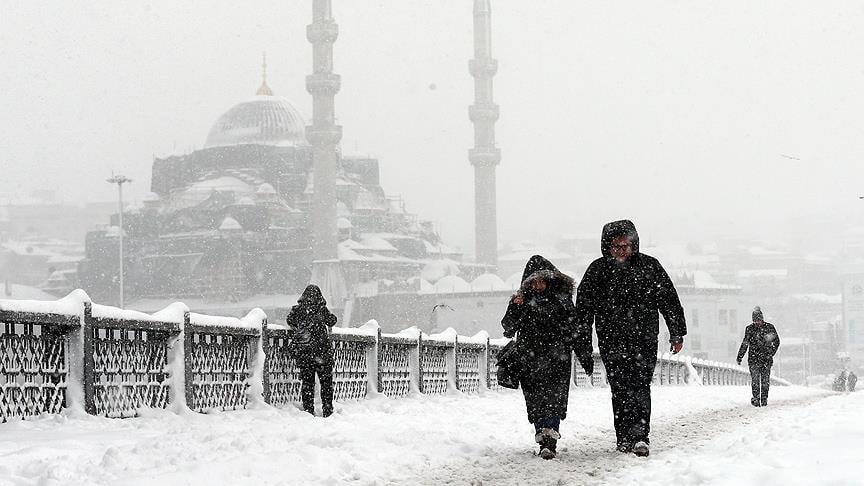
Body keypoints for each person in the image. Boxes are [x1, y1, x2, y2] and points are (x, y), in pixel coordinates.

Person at [574, 220, 687, 457]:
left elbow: (669, 300)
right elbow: (583, 311)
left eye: (626, 245)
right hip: (611, 341)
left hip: (643, 340)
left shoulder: (649, 267)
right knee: (620, 388)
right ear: (608, 247)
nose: (622, 250)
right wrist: (582, 343)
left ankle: (639, 436)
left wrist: (677, 332)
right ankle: (623, 436)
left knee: (640, 386)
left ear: (633, 245)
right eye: (617, 246)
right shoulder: (597, 271)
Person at [501, 255, 586, 460]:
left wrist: (583, 353)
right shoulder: (523, 302)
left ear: (550, 280)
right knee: (536, 400)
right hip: (530, 360)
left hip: (557, 359)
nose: (538, 285)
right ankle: (542, 435)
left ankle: (550, 438)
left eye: (542, 280)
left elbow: (575, 329)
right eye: (534, 281)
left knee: (554, 400)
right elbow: (508, 328)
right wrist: (515, 306)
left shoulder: (562, 301)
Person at [285, 284, 338, 417]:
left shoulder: (298, 310)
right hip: (322, 353)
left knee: (307, 384)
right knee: (326, 383)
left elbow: (289, 320)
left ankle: (308, 410)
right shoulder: (321, 310)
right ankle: (327, 409)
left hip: (305, 353)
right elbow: (332, 321)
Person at [736, 306, 780, 407]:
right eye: (755, 321)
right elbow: (745, 343)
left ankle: (764, 398)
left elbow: (776, 341)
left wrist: (770, 353)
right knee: (755, 380)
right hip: (753, 359)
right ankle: (756, 398)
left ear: (762, 319)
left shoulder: (769, 328)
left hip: (765, 359)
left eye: (758, 320)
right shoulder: (749, 329)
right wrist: (740, 356)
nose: (757, 323)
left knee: (765, 380)